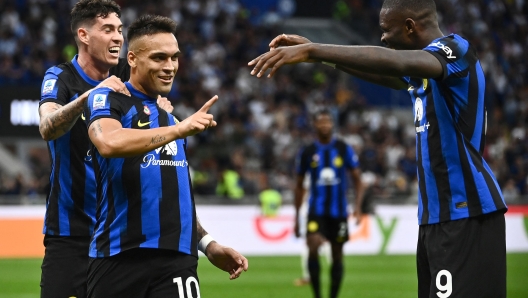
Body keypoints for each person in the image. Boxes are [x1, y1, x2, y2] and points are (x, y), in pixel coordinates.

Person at [248, 0, 508, 297]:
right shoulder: (426, 72)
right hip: (436, 219)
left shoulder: (455, 51)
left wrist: (313, 50)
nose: (382, 37)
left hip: (467, 213)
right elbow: (390, 75)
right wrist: (320, 58)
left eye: (387, 29)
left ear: (410, 27)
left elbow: (396, 63)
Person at [84, 15, 248, 297]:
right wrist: (178, 130)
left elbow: (175, 197)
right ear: (133, 58)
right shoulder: (109, 100)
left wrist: (208, 244)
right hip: (118, 257)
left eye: (174, 58)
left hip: (177, 261)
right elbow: (108, 142)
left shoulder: (171, 119)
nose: (170, 67)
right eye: (160, 58)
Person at [38, 1, 130, 297]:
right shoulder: (61, 77)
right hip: (69, 234)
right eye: (108, 30)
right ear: (84, 35)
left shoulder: (127, 83)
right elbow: (47, 126)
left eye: (119, 29)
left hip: (118, 233)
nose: (118, 37)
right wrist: (89, 98)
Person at [293, 109, 364, 298]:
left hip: (339, 212)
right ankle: (317, 295)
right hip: (316, 210)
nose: (325, 125)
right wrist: (296, 216)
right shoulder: (308, 151)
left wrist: (357, 208)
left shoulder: (343, 148)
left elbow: (358, 180)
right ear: (315, 125)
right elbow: (299, 186)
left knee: (337, 254)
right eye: (321, 122)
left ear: (332, 124)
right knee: (313, 246)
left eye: (328, 122)